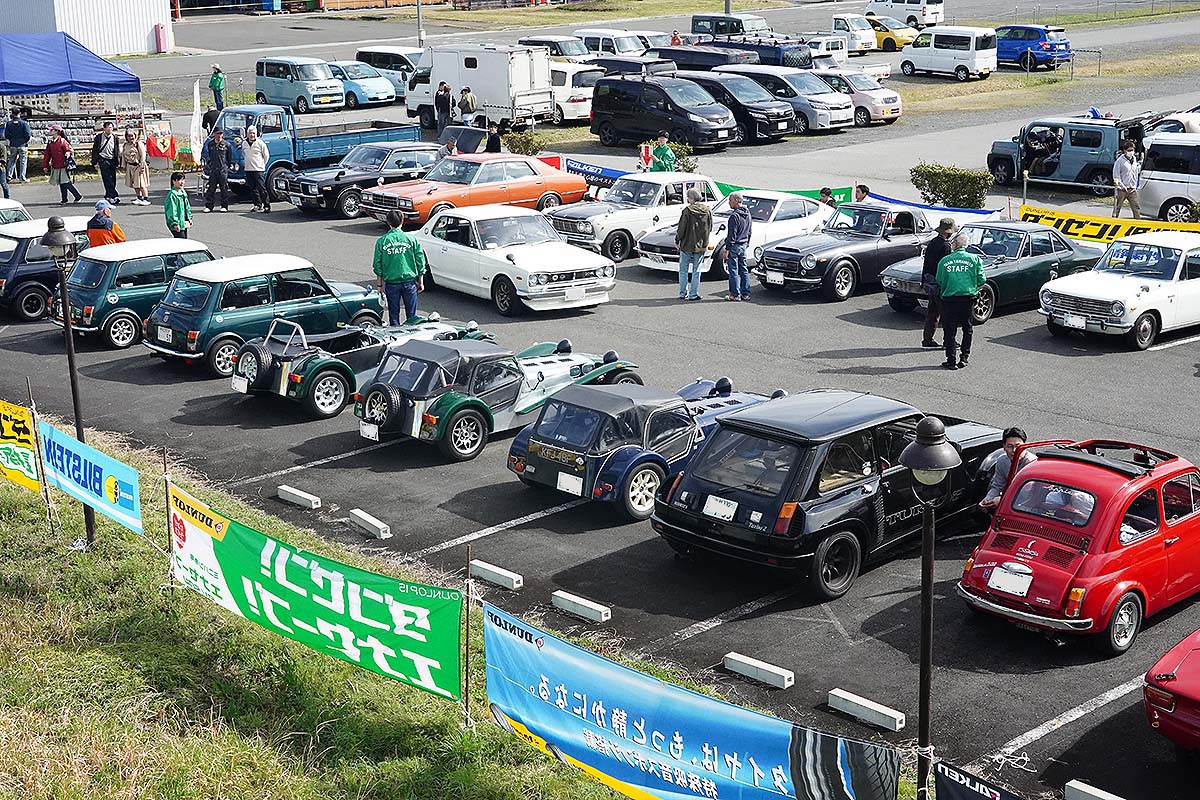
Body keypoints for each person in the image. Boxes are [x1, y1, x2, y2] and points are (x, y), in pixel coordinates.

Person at [936, 231, 985, 370]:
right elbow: (982, 279)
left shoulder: (945, 260)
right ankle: (964, 358)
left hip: (950, 299)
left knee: (950, 330)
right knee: (967, 328)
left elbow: (939, 279)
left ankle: (951, 360)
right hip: (968, 298)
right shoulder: (975, 259)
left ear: (956, 244)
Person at [373, 210, 427, 325]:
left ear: (388, 222)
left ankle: (395, 334)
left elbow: (377, 265)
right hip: (409, 282)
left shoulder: (382, 241)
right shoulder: (411, 239)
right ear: (402, 221)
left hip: (391, 283)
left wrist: (379, 285)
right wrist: (421, 281)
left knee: (393, 315)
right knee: (412, 317)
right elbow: (420, 260)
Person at [979, 427, 1036, 511]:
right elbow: (997, 486)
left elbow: (1028, 492)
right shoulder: (1002, 460)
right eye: (1010, 446)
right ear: (1004, 447)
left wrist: (1002, 499)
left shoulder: (1033, 464)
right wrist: (988, 500)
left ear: (1025, 446)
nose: (1014, 450)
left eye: (1018, 446)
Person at [921, 218, 957, 349]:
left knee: (932, 313)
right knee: (947, 315)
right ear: (948, 232)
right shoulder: (945, 246)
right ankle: (948, 342)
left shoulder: (933, 242)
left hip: (930, 281)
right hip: (940, 284)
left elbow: (926, 263)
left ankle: (927, 339)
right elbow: (945, 268)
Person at [675, 188, 711, 302]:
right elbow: (710, 227)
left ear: (691, 198)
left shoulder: (687, 211)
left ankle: (683, 293)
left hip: (687, 244)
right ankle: (693, 294)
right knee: (697, 270)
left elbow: (681, 228)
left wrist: (677, 239)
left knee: (683, 270)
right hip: (701, 245)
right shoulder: (707, 210)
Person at [44, 125, 82, 205]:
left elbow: (67, 150)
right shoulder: (50, 141)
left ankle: (77, 196)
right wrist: (45, 165)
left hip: (63, 165)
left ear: (56, 131)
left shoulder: (62, 141)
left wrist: (68, 153)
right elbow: (47, 154)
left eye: (52, 130)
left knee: (65, 182)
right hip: (55, 165)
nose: (50, 131)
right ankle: (64, 199)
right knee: (62, 182)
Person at [725, 191, 752, 302]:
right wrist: (747, 243)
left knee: (733, 270)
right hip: (743, 244)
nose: (729, 202)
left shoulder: (734, 216)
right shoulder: (748, 213)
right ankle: (746, 293)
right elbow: (749, 231)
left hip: (735, 245)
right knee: (744, 269)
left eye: (730, 200)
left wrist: (727, 249)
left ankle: (735, 294)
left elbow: (732, 235)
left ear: (736, 201)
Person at [201, 127, 232, 212]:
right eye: (217, 133)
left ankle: (224, 206)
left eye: (221, 133)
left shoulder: (227, 145)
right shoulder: (210, 144)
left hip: (223, 169)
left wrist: (226, 167)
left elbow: (229, 158)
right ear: (214, 134)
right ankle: (209, 206)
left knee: (224, 188)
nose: (219, 135)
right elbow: (209, 156)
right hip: (213, 169)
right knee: (211, 188)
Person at [91, 120, 122, 204]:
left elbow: (117, 150)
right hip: (103, 159)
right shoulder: (99, 137)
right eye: (108, 128)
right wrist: (95, 162)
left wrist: (118, 161)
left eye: (111, 128)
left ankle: (108, 195)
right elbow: (95, 150)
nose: (109, 129)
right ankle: (113, 195)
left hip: (112, 159)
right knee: (106, 178)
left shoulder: (115, 137)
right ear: (104, 129)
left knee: (113, 178)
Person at [242, 125, 271, 213]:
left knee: (262, 188)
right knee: (253, 188)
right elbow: (244, 154)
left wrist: (262, 165)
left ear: (256, 134)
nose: (252, 135)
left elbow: (266, 156)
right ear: (247, 134)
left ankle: (267, 205)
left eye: (253, 133)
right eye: (250, 133)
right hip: (248, 169)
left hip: (258, 169)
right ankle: (257, 205)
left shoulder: (260, 143)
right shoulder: (244, 143)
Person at [121, 129, 151, 206]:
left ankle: (146, 198)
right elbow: (123, 156)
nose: (130, 137)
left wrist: (142, 166)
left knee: (141, 183)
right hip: (130, 166)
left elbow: (143, 156)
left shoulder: (139, 144)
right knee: (135, 183)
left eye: (132, 136)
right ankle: (139, 197)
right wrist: (123, 166)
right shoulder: (125, 145)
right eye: (128, 136)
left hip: (138, 166)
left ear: (135, 136)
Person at [1113, 140, 1141, 219]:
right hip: (1122, 189)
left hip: (1132, 188)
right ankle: (1114, 220)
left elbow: (1135, 173)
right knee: (1117, 207)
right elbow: (1116, 175)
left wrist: (1135, 186)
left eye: (1132, 150)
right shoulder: (1119, 161)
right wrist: (1122, 186)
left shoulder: (1134, 159)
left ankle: (1138, 222)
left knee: (1136, 206)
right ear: (1124, 150)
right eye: (1129, 150)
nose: (1131, 152)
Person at [4, 108, 31, 182]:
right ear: (20, 113)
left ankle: (9, 177)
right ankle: (22, 177)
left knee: (11, 160)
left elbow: (6, 135)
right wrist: (24, 141)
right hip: (22, 145)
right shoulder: (24, 123)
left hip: (13, 144)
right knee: (23, 161)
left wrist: (12, 139)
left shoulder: (9, 124)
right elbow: (28, 134)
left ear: (12, 113)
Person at [165, 171, 192, 239]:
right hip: (177, 223)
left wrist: (189, 218)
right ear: (173, 181)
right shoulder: (172, 195)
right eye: (179, 180)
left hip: (183, 222)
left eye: (183, 180)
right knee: (181, 241)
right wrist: (175, 223)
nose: (182, 182)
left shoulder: (183, 192)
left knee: (184, 240)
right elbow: (172, 210)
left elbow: (187, 207)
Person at [0, 135, 8, 200]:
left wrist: (1, 163)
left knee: (3, 184)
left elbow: (3, 159)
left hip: (1, 168)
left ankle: (7, 198)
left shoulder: (2, 147)